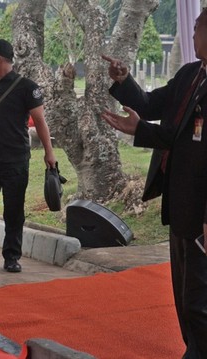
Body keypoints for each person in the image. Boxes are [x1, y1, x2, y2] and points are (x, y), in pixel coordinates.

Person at [101, 9, 207, 357]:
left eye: (198, 28)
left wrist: (141, 131)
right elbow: (149, 104)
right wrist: (124, 81)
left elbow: (189, 142)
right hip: (181, 204)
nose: (193, 35)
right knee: (185, 297)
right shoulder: (192, 74)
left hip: (202, 210)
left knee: (199, 300)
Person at [0, 38, 56, 273]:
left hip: (15, 159)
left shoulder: (27, 87)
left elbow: (40, 121)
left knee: (14, 211)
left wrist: (49, 152)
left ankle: (11, 257)